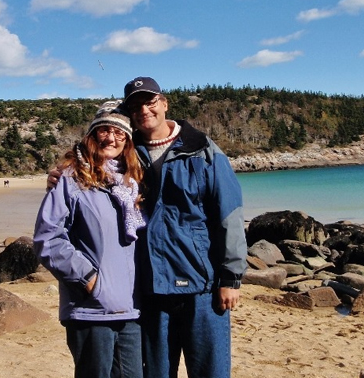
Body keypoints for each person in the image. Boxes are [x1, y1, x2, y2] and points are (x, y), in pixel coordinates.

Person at [48, 77, 248, 378]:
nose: (144, 109)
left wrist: (231, 276)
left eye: (150, 101)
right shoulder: (128, 152)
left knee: (211, 371)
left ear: (164, 103)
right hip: (150, 288)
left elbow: (228, 212)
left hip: (201, 284)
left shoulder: (202, 149)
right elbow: (91, 164)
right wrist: (61, 173)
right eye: (136, 105)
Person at [34, 101, 146, 378]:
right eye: (104, 131)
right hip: (90, 308)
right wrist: (88, 279)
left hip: (130, 308)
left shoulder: (133, 182)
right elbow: (48, 237)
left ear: (128, 141)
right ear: (92, 135)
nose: (111, 138)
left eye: (119, 133)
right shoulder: (71, 178)